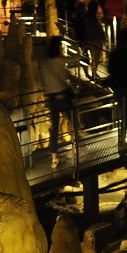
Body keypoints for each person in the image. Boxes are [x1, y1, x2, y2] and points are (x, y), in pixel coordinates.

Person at [38, 35, 75, 166]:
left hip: (52, 99)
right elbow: (77, 57)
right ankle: (77, 148)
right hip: (62, 96)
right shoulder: (60, 60)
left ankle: (54, 158)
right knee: (73, 119)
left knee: (54, 128)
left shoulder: (44, 64)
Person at [106, 28, 127, 155]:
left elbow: (109, 68)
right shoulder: (125, 52)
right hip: (124, 85)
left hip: (116, 85)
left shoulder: (114, 52)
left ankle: (121, 141)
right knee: (125, 115)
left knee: (121, 114)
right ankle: (122, 142)